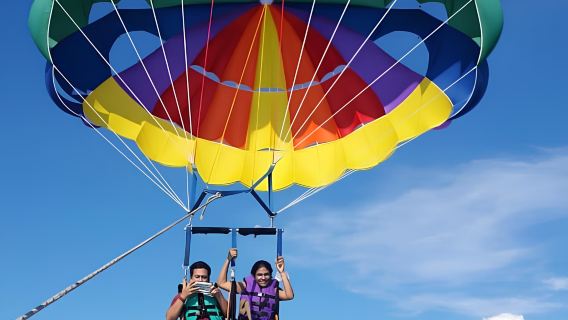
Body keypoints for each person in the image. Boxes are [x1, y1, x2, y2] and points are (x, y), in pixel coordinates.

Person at [217, 249, 294, 320]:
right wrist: (228, 259)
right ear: (254, 276)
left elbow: (289, 296)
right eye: (259, 275)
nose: (263, 278)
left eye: (266, 274)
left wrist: (282, 272)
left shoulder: (274, 290)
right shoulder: (245, 286)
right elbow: (221, 283)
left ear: (271, 275)